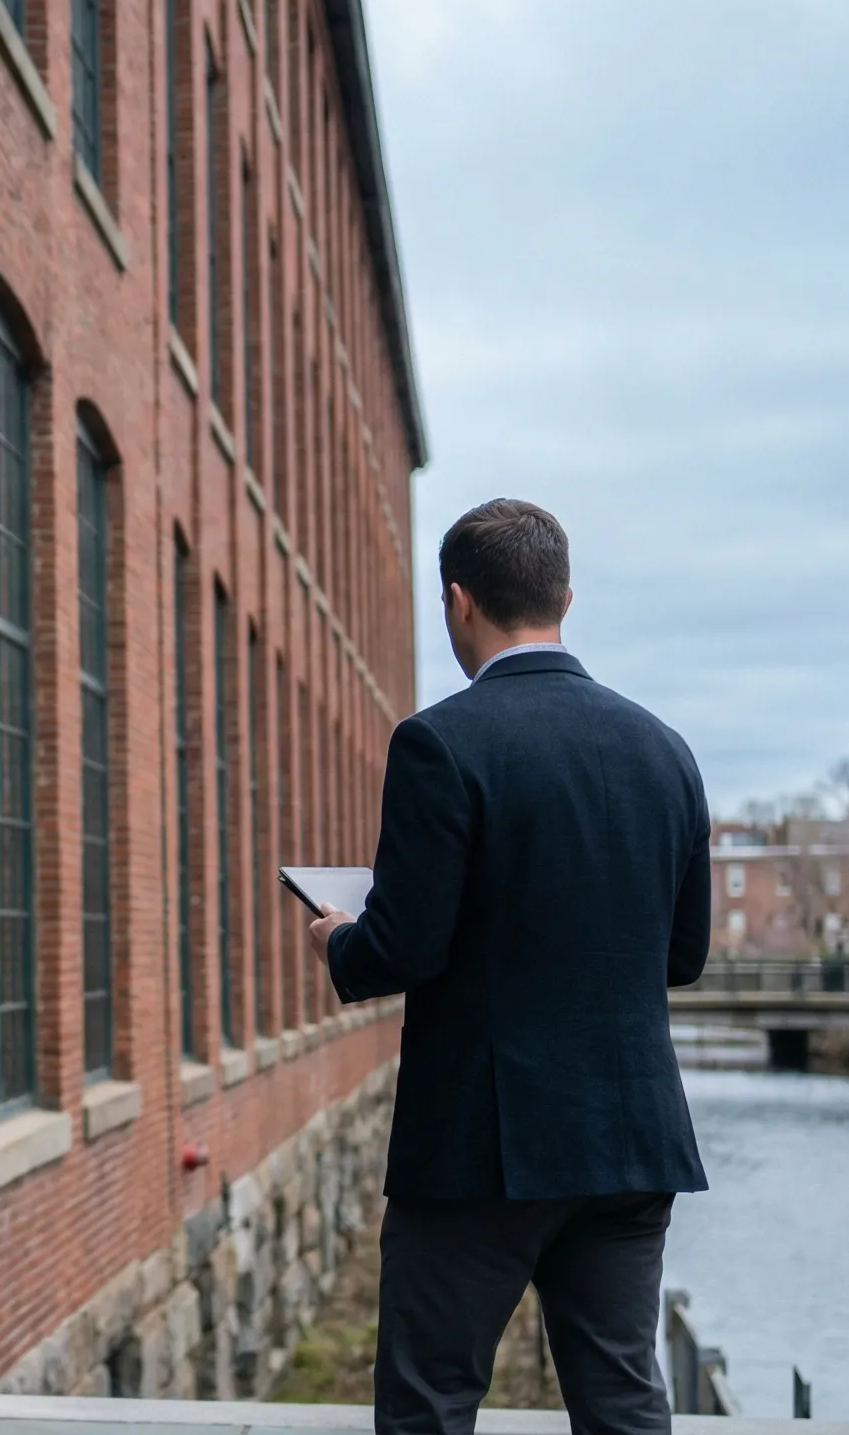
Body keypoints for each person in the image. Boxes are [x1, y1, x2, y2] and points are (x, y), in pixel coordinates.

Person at [309, 499, 709, 1435]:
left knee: (430, 1403)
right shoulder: (668, 751)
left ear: (457, 603)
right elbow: (681, 956)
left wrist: (338, 938)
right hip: (630, 1136)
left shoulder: (440, 742)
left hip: (479, 1147)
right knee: (622, 1400)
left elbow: (402, 949)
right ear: (565, 596)